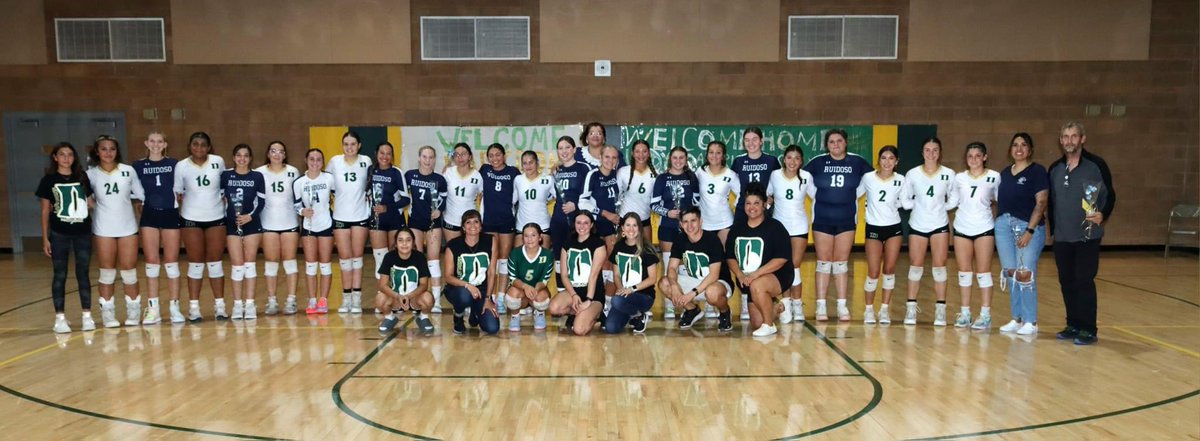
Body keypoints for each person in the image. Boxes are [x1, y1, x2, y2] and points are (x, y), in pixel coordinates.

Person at [1048, 121, 1115, 345]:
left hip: (1088, 236)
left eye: (1074, 136)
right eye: (1065, 137)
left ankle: (1088, 329)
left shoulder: (1096, 165)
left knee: (1084, 281)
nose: (1069, 141)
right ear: (1061, 141)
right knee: (1066, 281)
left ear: (1082, 138)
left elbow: (1110, 195)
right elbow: (1052, 202)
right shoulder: (1055, 169)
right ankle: (1073, 324)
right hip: (1063, 237)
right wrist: (1054, 231)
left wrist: (1103, 214)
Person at [803, 129, 873, 321]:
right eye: (832, 142)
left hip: (846, 219)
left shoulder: (857, 161)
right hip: (823, 219)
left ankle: (842, 306)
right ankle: (821, 306)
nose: (836, 145)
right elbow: (803, 180)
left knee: (841, 263)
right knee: (824, 263)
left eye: (839, 141)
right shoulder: (818, 162)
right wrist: (816, 196)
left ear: (846, 142)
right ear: (827, 145)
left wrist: (854, 194)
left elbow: (871, 180)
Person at [87, 135, 146, 328]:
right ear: (97, 152)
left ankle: (133, 310)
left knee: (129, 271)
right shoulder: (91, 174)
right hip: (103, 227)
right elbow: (86, 197)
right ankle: (108, 312)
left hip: (127, 227)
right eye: (103, 149)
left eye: (112, 148)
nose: (108, 152)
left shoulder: (128, 171)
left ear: (117, 151)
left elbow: (141, 194)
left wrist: (143, 204)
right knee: (107, 272)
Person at [995, 133, 1048, 336]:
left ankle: (1030, 321)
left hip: (1027, 226)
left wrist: (1030, 230)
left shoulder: (1037, 172)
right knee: (1011, 273)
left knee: (1025, 273)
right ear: (1010, 149)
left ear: (1030, 149)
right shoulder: (1005, 174)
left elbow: (1041, 202)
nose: (1019, 148)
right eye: (1015, 145)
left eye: (1024, 145)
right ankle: (1016, 318)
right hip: (1003, 226)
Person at [39, 142, 96, 333]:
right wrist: (45, 238)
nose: (66, 158)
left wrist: (93, 204)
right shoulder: (48, 180)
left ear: (74, 157)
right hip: (59, 233)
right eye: (62, 154)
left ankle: (87, 315)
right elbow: (45, 210)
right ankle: (60, 318)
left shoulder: (82, 177)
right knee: (60, 274)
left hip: (82, 232)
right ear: (55, 157)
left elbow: (90, 202)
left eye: (70, 154)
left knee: (83, 273)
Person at [901, 137, 958, 326]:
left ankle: (940, 310)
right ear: (922, 152)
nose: (931, 153)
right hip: (918, 225)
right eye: (927, 150)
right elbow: (905, 200)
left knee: (939, 267)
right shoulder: (913, 174)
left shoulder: (949, 174)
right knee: (915, 266)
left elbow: (954, 199)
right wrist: (917, 206)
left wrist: (941, 207)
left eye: (935, 150)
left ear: (940, 152)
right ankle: (911, 308)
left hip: (939, 225)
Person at [726, 185, 793, 336]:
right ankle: (779, 307)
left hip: (778, 275)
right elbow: (730, 257)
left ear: (764, 205)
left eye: (756, 203)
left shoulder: (775, 227)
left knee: (758, 285)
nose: (752, 207)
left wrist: (755, 275)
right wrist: (740, 275)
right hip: (750, 280)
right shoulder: (737, 229)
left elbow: (782, 259)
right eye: (748, 203)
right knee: (756, 322)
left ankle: (769, 326)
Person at [174, 132, 227, 321]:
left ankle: (220, 306)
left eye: (203, 144)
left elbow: (224, 188)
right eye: (195, 144)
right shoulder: (181, 166)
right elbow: (178, 193)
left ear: (209, 147)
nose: (199, 148)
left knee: (215, 263)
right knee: (195, 264)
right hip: (191, 218)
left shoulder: (218, 161)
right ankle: (194, 307)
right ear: (189, 146)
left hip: (216, 217)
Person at [133, 132, 183, 324]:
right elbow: (135, 190)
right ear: (146, 143)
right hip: (150, 214)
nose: (155, 144)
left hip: (170, 212)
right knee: (152, 262)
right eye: (152, 141)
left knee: (171, 262)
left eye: (159, 141)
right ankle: (153, 309)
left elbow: (180, 189)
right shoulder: (137, 166)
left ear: (165, 144)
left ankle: (174, 307)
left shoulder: (174, 164)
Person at [731, 127, 781, 320]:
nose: (751, 143)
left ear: (761, 141)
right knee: (741, 256)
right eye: (747, 140)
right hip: (744, 213)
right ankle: (746, 298)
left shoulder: (771, 161)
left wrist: (772, 198)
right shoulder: (738, 162)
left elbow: (780, 182)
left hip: (764, 214)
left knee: (763, 255)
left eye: (754, 139)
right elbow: (732, 185)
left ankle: (768, 296)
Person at [659, 207, 734, 331]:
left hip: (718, 283)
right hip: (695, 281)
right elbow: (672, 267)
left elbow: (714, 275)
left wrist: (692, 293)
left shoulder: (712, 239)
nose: (689, 225)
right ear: (681, 224)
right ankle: (692, 310)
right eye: (685, 222)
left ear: (700, 222)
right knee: (664, 283)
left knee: (712, 292)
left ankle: (725, 312)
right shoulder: (680, 239)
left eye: (693, 221)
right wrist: (674, 285)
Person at [952, 142, 1001, 330]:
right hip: (962, 228)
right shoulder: (959, 178)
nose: (973, 159)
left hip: (984, 228)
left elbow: (1001, 200)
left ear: (985, 157)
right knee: (964, 272)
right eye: (970, 156)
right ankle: (965, 312)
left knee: (983, 272)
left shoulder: (994, 177)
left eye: (977, 156)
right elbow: (953, 201)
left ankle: (985, 314)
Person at [856, 146, 908, 324]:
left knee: (889, 270)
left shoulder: (901, 180)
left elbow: (905, 201)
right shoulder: (868, 177)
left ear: (896, 161)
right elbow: (855, 194)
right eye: (884, 158)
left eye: (891, 158)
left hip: (893, 228)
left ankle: (884, 309)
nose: (887, 162)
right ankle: (869, 309)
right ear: (878, 160)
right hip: (874, 228)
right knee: (873, 271)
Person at [766, 145, 813, 324]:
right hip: (779, 227)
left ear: (801, 161)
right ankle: (785, 305)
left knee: (794, 267)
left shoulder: (807, 177)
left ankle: (797, 304)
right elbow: (768, 196)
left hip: (799, 227)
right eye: (789, 157)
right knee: (782, 267)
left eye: (797, 158)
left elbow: (817, 196)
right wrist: (767, 204)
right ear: (784, 159)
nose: (792, 161)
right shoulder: (775, 175)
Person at [650, 146, 699, 320]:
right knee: (669, 264)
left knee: (686, 266)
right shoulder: (662, 178)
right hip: (668, 226)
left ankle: (689, 304)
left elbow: (697, 202)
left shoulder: (691, 178)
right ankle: (671, 305)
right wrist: (667, 213)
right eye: (675, 158)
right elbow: (653, 204)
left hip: (688, 228)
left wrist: (689, 216)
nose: (678, 161)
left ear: (686, 160)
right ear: (670, 159)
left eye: (681, 158)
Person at [327, 131, 373, 314]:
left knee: (357, 257)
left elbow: (370, 186)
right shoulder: (335, 162)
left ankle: (357, 298)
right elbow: (327, 186)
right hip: (340, 216)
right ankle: (346, 297)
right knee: (344, 258)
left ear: (359, 145)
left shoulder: (366, 161)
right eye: (346, 144)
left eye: (353, 144)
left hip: (360, 215)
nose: (349, 147)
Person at [220, 144, 266, 320]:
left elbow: (261, 202)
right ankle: (238, 304)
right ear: (233, 157)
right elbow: (220, 198)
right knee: (237, 266)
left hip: (252, 224)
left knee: (250, 264)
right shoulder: (225, 175)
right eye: (239, 155)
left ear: (250, 158)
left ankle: (250, 303)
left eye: (246, 155)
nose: (242, 158)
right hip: (232, 224)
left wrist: (250, 216)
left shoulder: (257, 176)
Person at [255, 141, 301, 315]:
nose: (277, 154)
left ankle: (291, 299)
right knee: (271, 262)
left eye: (280, 151)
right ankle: (272, 300)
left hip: (289, 222)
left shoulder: (292, 171)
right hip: (268, 223)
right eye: (273, 151)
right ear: (268, 153)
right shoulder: (259, 172)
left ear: (285, 155)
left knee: (290, 262)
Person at [548, 210, 608, 336]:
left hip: (593, 294)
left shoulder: (599, 244)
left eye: (586, 223)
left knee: (579, 330)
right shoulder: (567, 244)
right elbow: (564, 275)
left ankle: (597, 314)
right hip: (574, 291)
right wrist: (574, 295)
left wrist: (588, 300)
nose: (582, 226)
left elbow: (593, 276)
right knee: (554, 308)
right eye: (578, 223)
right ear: (574, 224)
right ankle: (577, 313)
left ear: (591, 225)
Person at [404, 145, 448, 313]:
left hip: (433, 224)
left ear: (434, 159)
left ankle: (435, 301)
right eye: (424, 157)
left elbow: (443, 200)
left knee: (433, 260)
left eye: (431, 157)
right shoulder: (409, 175)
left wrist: (439, 210)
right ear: (419, 158)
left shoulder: (440, 180)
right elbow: (401, 194)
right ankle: (415, 298)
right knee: (416, 258)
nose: (427, 160)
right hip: (415, 221)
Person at [442, 210, 500, 335]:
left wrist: (488, 298)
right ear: (463, 227)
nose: (472, 225)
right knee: (464, 295)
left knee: (492, 328)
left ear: (481, 225)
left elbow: (491, 273)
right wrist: (468, 285)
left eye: (476, 222)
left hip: (481, 291)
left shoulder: (491, 241)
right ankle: (458, 317)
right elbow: (448, 277)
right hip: (458, 289)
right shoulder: (453, 245)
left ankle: (475, 312)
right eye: (468, 222)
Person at [293, 148, 336, 314]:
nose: (315, 162)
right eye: (312, 159)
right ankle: (312, 300)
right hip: (308, 227)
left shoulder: (329, 179)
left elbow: (337, 196)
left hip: (325, 225)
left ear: (322, 162)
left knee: (325, 265)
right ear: (306, 160)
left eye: (319, 159)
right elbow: (296, 204)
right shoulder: (299, 182)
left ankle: (323, 300)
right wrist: (302, 212)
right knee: (310, 266)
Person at [580, 145, 622, 311]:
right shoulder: (593, 175)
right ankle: (597, 300)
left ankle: (608, 302)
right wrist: (604, 213)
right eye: (607, 157)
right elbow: (582, 201)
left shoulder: (617, 175)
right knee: (599, 264)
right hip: (597, 225)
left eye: (613, 158)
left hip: (614, 226)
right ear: (601, 158)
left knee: (613, 264)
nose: (610, 161)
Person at [603, 213, 659, 334]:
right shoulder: (618, 247)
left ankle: (638, 315)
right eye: (628, 225)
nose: (631, 229)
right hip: (625, 296)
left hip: (644, 296)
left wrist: (631, 289)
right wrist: (621, 289)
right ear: (622, 228)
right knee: (611, 328)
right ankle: (633, 316)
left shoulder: (647, 248)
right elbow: (616, 275)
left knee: (616, 301)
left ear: (639, 228)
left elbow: (652, 278)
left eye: (634, 225)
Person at [479, 143, 519, 314]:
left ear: (504, 156)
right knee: (490, 261)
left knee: (504, 259)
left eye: (498, 155)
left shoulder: (513, 172)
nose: (494, 158)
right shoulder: (484, 170)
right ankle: (489, 296)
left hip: (506, 221)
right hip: (488, 221)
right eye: (491, 155)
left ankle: (501, 297)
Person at [376, 228, 435, 335]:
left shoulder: (419, 257)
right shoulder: (389, 257)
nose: (404, 244)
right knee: (380, 298)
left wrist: (408, 296)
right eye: (400, 240)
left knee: (428, 298)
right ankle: (389, 318)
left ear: (413, 242)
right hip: (396, 298)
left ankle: (423, 317)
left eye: (408, 240)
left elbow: (424, 285)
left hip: (414, 298)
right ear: (396, 243)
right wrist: (398, 296)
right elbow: (383, 285)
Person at [368, 142, 410, 285]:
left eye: (388, 153)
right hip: (377, 220)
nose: (385, 156)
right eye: (382, 153)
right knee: (380, 259)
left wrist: (387, 207)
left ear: (392, 155)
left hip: (394, 220)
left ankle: (397, 292)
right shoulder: (370, 171)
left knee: (395, 257)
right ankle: (382, 294)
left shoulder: (396, 172)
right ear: (376, 154)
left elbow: (406, 199)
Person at [550, 136, 591, 276]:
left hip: (578, 222)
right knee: (558, 258)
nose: (564, 151)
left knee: (577, 257)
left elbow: (590, 192)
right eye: (560, 148)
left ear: (574, 149)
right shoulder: (555, 170)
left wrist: (576, 205)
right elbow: (551, 193)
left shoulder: (584, 168)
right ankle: (561, 290)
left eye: (567, 147)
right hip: (558, 221)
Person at [504, 223, 555, 331]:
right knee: (511, 296)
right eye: (526, 236)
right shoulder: (515, 253)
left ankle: (540, 313)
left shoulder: (547, 255)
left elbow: (544, 280)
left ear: (540, 237)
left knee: (542, 300)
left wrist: (535, 289)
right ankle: (515, 316)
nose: (529, 239)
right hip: (520, 290)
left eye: (533, 235)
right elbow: (513, 278)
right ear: (522, 238)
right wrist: (525, 287)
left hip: (537, 290)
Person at [615, 140, 657, 246]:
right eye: (637, 151)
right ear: (632, 153)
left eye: (644, 151)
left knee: (647, 255)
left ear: (649, 153)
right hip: (625, 221)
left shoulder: (655, 174)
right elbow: (615, 198)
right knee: (622, 254)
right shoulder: (623, 172)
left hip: (644, 220)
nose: (641, 155)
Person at [513, 150, 555, 248]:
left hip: (543, 225)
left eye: (531, 162)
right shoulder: (518, 180)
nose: (528, 166)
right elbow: (512, 201)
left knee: (543, 260)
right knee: (519, 260)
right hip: (521, 226)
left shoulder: (548, 180)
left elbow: (560, 198)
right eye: (525, 163)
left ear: (537, 163)